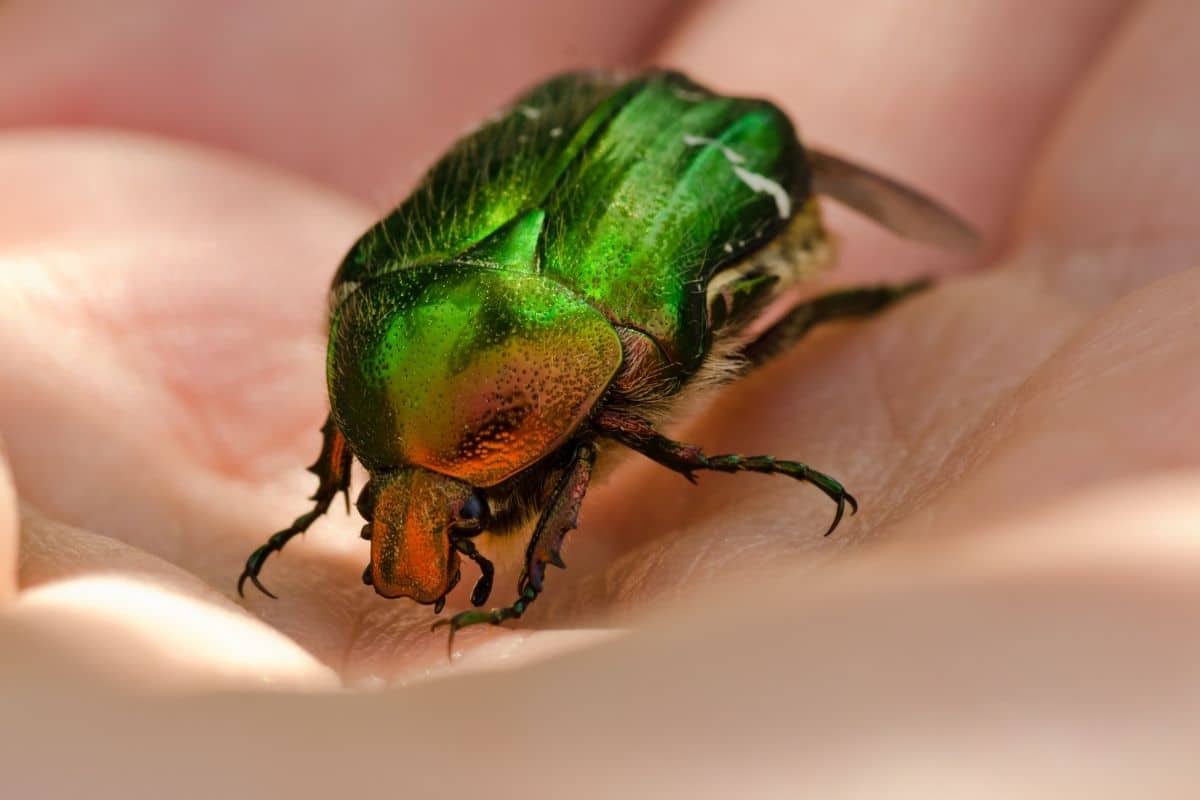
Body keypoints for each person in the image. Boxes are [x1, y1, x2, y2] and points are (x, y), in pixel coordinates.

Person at [1, 1, 1198, 795]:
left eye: (385, 498)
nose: (409, 533)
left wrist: (524, 575)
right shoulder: (376, 345)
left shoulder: (563, 378)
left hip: (673, 192)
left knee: (742, 348)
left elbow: (572, 443)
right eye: (374, 493)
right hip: (537, 275)